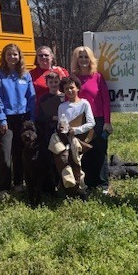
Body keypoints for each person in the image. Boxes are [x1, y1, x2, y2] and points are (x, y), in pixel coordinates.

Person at [0, 43, 36, 202]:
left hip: (22, 119)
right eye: (9, 54)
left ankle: (18, 183)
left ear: (19, 56)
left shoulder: (25, 75)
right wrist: (1, 119)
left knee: (20, 152)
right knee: (5, 153)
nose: (12, 57)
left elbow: (31, 98)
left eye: (15, 54)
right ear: (4, 57)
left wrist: (31, 119)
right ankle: (2, 188)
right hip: (5, 120)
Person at [71, 46, 112, 194]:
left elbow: (106, 100)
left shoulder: (98, 76)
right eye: (80, 57)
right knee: (85, 152)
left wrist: (107, 121)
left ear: (90, 59)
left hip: (99, 119)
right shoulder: (74, 78)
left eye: (86, 57)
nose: (83, 60)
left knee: (101, 151)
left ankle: (102, 185)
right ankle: (89, 183)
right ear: (76, 60)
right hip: (81, 121)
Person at [54, 75, 95, 197]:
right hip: (65, 139)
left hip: (80, 139)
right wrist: (60, 128)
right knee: (64, 161)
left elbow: (91, 123)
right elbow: (60, 123)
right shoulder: (62, 106)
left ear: (78, 88)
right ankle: (68, 188)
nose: (69, 91)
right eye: (66, 89)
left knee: (77, 162)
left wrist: (76, 130)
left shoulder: (84, 104)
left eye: (72, 87)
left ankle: (81, 188)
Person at [36, 71, 64, 190]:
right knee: (50, 158)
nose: (53, 84)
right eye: (51, 82)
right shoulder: (43, 99)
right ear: (47, 84)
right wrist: (53, 118)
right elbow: (39, 116)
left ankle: (62, 181)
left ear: (59, 82)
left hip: (62, 133)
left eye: (56, 82)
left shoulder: (64, 97)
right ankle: (52, 183)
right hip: (48, 132)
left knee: (62, 156)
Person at [30, 46, 68, 114]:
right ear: (37, 58)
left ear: (51, 57)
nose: (43, 57)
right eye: (40, 55)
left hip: (62, 109)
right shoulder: (31, 74)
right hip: (41, 111)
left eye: (46, 55)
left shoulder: (62, 71)